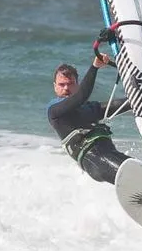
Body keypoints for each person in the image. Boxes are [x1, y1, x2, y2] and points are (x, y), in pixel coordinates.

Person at [48, 54, 131, 185]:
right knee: (132, 176)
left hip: (111, 154)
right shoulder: (55, 111)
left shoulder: (89, 109)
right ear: (55, 87)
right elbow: (81, 96)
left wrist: (139, 97)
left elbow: (118, 105)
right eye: (61, 84)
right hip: (96, 160)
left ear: (77, 84)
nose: (66, 88)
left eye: (70, 84)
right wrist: (95, 67)